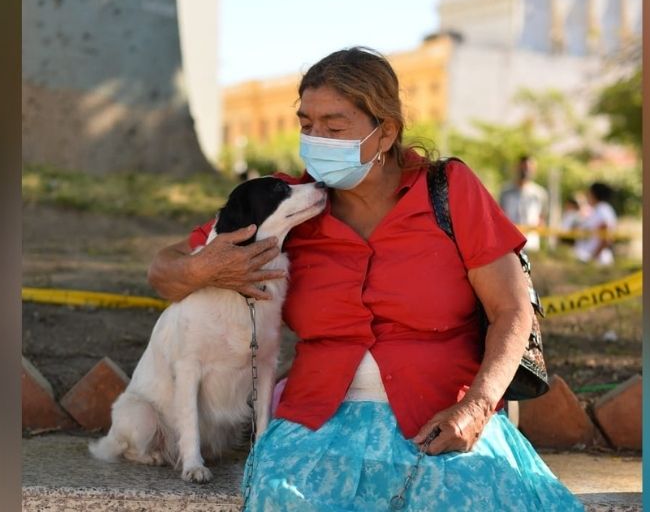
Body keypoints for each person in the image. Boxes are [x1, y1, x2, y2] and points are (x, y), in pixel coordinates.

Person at [147, 47, 582, 511]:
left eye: (334, 128)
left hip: (443, 420)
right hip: (317, 422)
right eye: (306, 125)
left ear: (386, 131)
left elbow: (511, 309)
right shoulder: (287, 206)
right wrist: (204, 268)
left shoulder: (449, 189)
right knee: (285, 499)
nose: (315, 140)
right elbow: (163, 270)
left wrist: (476, 408)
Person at [498, 155, 549, 251]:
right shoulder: (505, 191)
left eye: (529, 168)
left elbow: (542, 218)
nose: (525, 171)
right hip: (509, 244)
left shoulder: (539, 194)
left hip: (531, 244)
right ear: (516, 168)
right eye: (523, 167)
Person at [574, 182, 618, 266]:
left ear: (594, 194)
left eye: (589, 193)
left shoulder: (603, 210)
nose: (587, 196)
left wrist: (593, 257)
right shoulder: (597, 210)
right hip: (589, 258)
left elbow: (606, 238)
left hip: (598, 261)